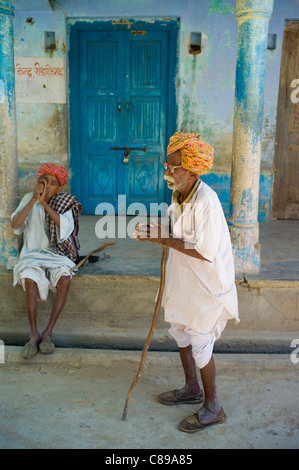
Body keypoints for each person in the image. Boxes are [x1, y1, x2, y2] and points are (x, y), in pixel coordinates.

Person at [134, 132, 239, 433]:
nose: (167, 170)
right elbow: (177, 227)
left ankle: (213, 406)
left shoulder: (206, 201)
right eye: (167, 164)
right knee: (181, 331)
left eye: (174, 166)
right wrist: (160, 228)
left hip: (207, 286)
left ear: (192, 170)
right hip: (184, 282)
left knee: (201, 343)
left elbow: (203, 250)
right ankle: (192, 388)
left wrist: (162, 238)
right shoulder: (180, 193)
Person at [11, 162, 82, 359]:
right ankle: (33, 333)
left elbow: (65, 228)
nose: (48, 186)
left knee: (65, 280)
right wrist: (34, 200)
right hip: (32, 255)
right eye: (44, 181)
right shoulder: (29, 199)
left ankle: (48, 332)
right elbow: (15, 225)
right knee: (30, 278)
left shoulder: (64, 202)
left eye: (53, 183)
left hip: (58, 256)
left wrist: (44, 203)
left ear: (59, 188)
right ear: (38, 183)